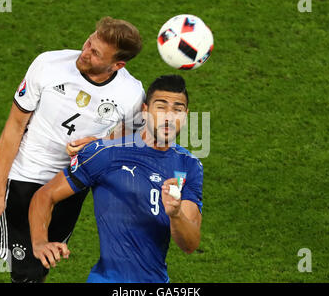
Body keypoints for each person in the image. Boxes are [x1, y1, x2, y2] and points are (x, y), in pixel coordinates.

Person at [0, 16, 145, 283]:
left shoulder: (131, 94)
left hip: (70, 184)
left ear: (117, 65)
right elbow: (14, 126)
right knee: (26, 271)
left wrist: (97, 144)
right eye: (89, 42)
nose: (85, 52)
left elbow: (127, 143)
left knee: (42, 262)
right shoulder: (48, 65)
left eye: (95, 53)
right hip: (26, 175)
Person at [29, 75, 203, 283]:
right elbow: (45, 195)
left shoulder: (189, 165)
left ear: (186, 116)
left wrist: (176, 215)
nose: (168, 117)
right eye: (161, 107)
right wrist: (39, 242)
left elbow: (190, 244)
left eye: (178, 109)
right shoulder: (106, 153)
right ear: (146, 112)